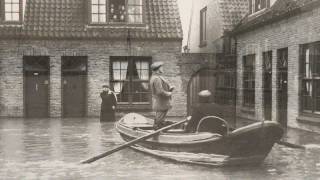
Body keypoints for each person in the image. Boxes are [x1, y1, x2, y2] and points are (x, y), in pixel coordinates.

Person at [150, 61, 174, 129]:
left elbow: (161, 88)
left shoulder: (157, 77)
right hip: (161, 102)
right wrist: (168, 93)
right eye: (161, 67)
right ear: (158, 69)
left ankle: (159, 131)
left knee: (160, 118)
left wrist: (169, 88)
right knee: (159, 119)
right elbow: (160, 91)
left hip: (162, 102)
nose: (163, 68)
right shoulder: (156, 78)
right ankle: (157, 134)